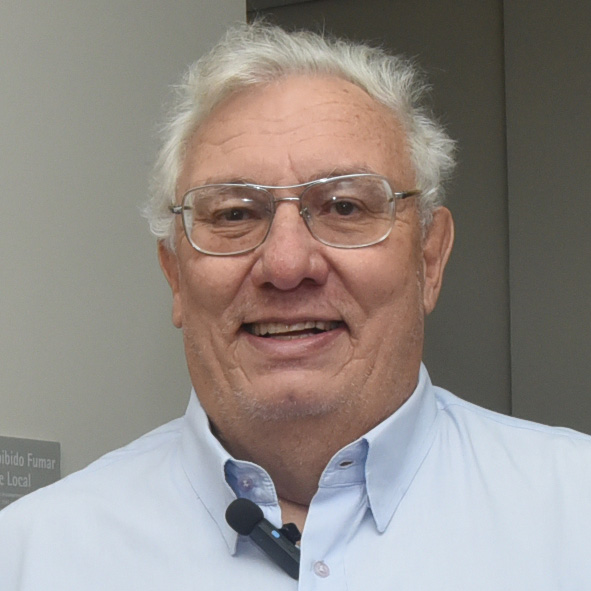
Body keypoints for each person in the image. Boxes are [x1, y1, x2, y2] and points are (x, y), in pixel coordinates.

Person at [1, 22, 590, 590]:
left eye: (345, 207)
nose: (286, 265)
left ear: (429, 260)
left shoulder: (574, 515)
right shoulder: (33, 558)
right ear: (175, 275)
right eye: (234, 213)